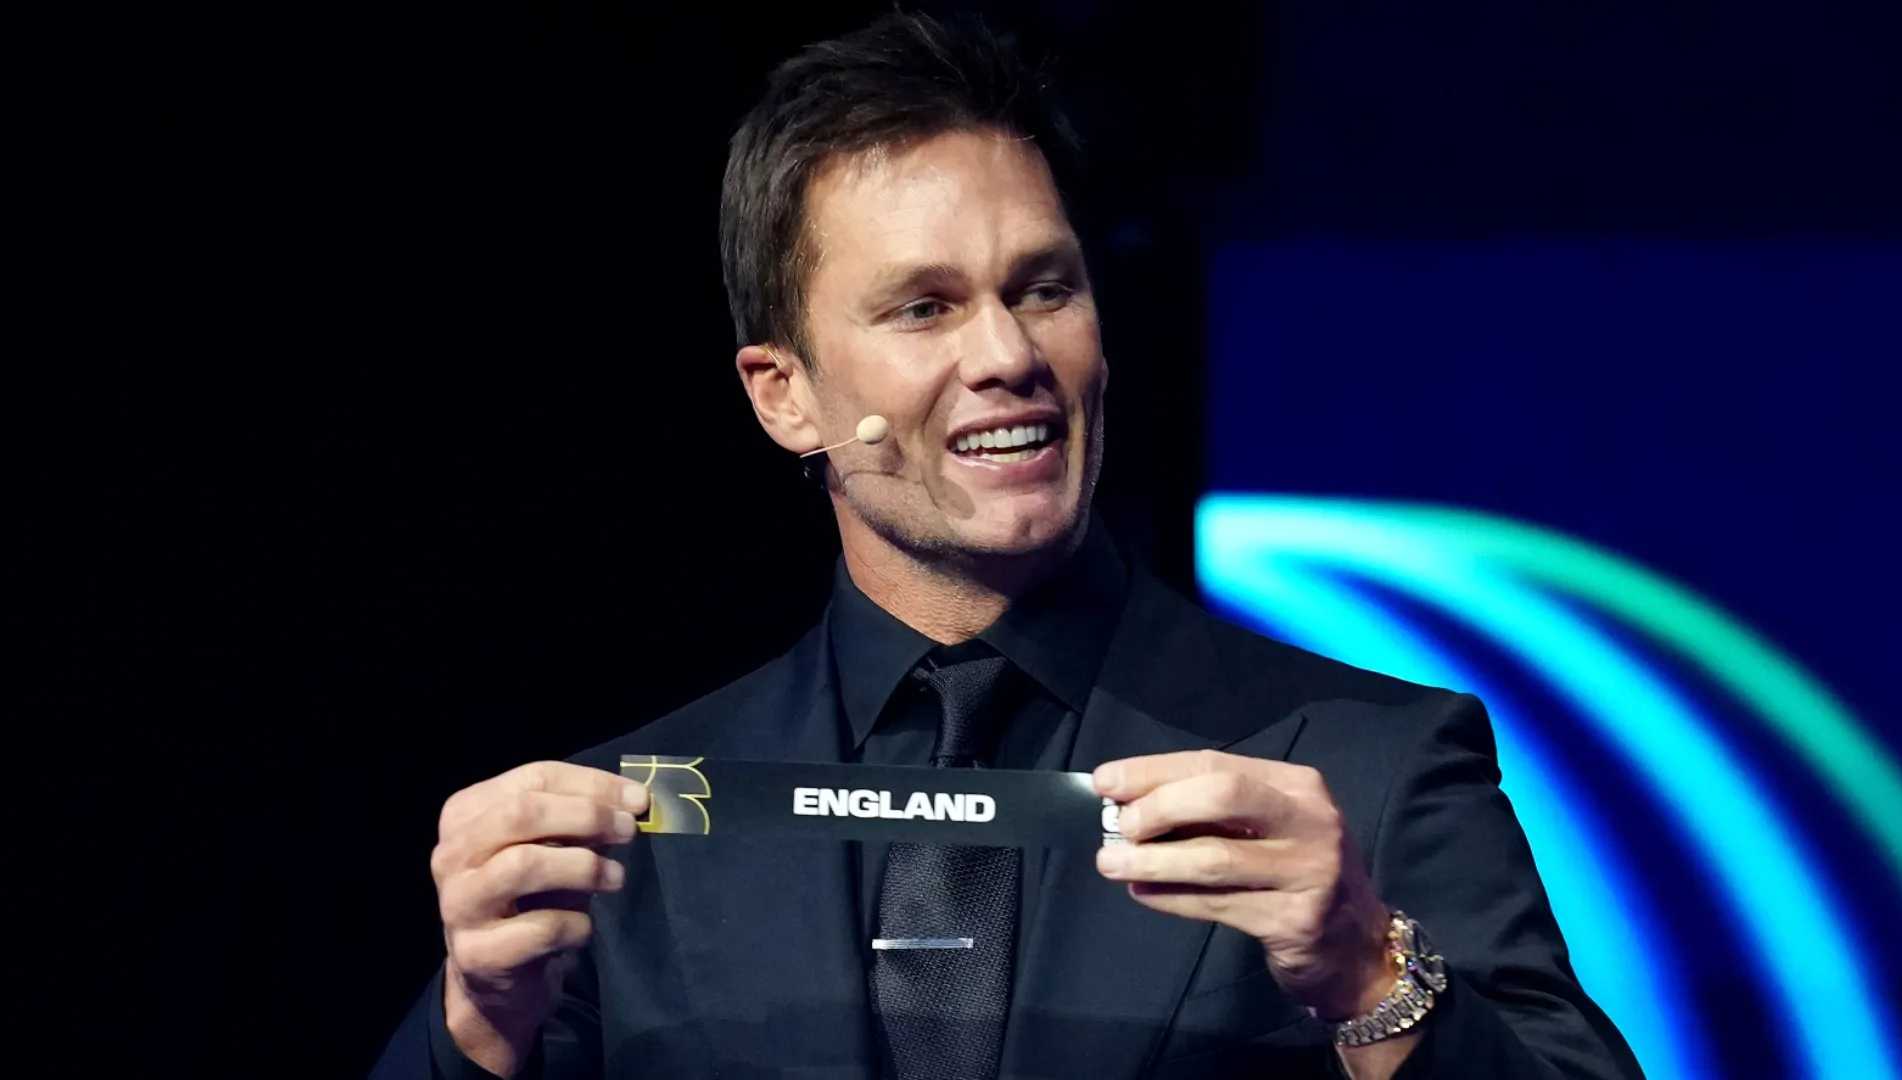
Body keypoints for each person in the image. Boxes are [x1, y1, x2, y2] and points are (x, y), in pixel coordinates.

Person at [372, 13, 1642, 1080]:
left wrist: (1370, 972)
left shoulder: (1366, 767)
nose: (1007, 357)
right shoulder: (620, 838)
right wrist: (478, 1031)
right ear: (784, 396)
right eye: (924, 308)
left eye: (1043, 287)